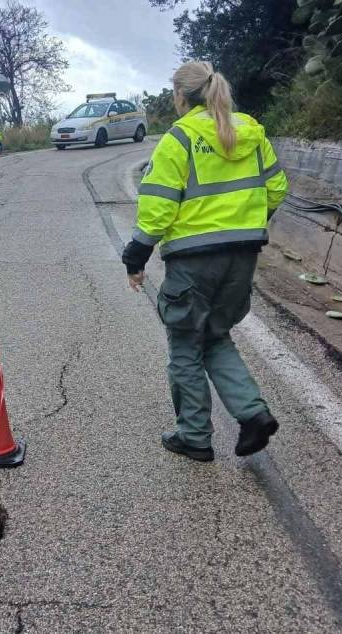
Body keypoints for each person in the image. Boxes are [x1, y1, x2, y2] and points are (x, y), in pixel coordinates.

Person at [122, 61, 289, 463]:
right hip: (242, 257)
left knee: (184, 344)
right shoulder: (250, 131)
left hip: (194, 262)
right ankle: (252, 414)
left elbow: (158, 208)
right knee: (215, 333)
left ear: (181, 96)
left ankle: (194, 435)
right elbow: (277, 188)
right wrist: (245, 225)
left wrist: (136, 255)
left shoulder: (180, 138)